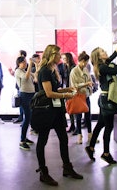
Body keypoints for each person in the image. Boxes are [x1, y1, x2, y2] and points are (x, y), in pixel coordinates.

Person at [35, 44, 83, 186]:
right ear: (52, 55)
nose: (60, 57)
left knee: (63, 138)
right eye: (58, 54)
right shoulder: (44, 71)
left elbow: (55, 89)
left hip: (56, 110)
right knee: (42, 141)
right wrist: (67, 94)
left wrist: (67, 89)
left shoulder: (52, 69)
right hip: (46, 111)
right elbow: (49, 93)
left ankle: (67, 168)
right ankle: (43, 172)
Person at [85, 34, 117, 165]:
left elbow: (114, 54)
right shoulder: (103, 67)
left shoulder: (103, 64)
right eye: (103, 52)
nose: (105, 52)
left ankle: (91, 147)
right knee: (108, 127)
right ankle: (106, 153)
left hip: (104, 100)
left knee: (100, 124)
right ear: (99, 57)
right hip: (107, 101)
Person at [69, 51, 94, 145]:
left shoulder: (86, 70)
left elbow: (89, 80)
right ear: (83, 61)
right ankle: (79, 135)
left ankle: (90, 135)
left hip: (86, 95)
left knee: (88, 116)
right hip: (78, 96)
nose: (87, 64)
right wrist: (86, 84)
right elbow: (74, 85)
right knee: (78, 117)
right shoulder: (74, 71)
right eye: (86, 62)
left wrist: (90, 84)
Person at [14, 56, 35, 150]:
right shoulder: (18, 71)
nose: (25, 63)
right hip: (24, 95)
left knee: (28, 117)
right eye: (24, 62)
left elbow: (35, 77)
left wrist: (37, 65)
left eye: (26, 62)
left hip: (30, 95)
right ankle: (22, 140)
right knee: (27, 118)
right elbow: (26, 78)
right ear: (19, 63)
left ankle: (24, 138)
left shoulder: (24, 71)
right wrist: (30, 65)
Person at [58, 52, 76, 133]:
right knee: (69, 107)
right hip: (66, 88)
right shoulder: (62, 66)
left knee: (74, 108)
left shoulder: (73, 67)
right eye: (62, 58)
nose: (63, 60)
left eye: (65, 58)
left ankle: (75, 125)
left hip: (72, 89)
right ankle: (72, 124)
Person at [10, 50, 27, 123]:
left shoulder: (26, 65)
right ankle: (21, 118)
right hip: (19, 86)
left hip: (24, 88)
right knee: (20, 103)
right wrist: (12, 73)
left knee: (23, 104)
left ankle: (24, 119)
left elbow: (25, 76)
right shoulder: (18, 67)